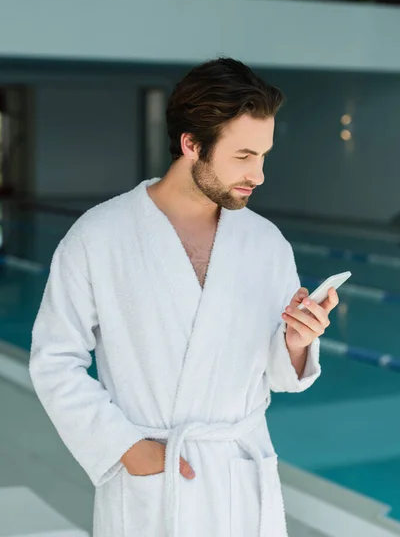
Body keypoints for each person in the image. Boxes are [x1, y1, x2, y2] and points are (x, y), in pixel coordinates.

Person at [29, 57, 339, 537]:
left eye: (263, 155)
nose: (258, 175)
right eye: (242, 156)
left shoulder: (265, 242)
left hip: (240, 478)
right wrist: (126, 448)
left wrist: (297, 342)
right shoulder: (100, 235)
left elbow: (277, 374)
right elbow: (54, 360)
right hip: (153, 481)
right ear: (191, 144)